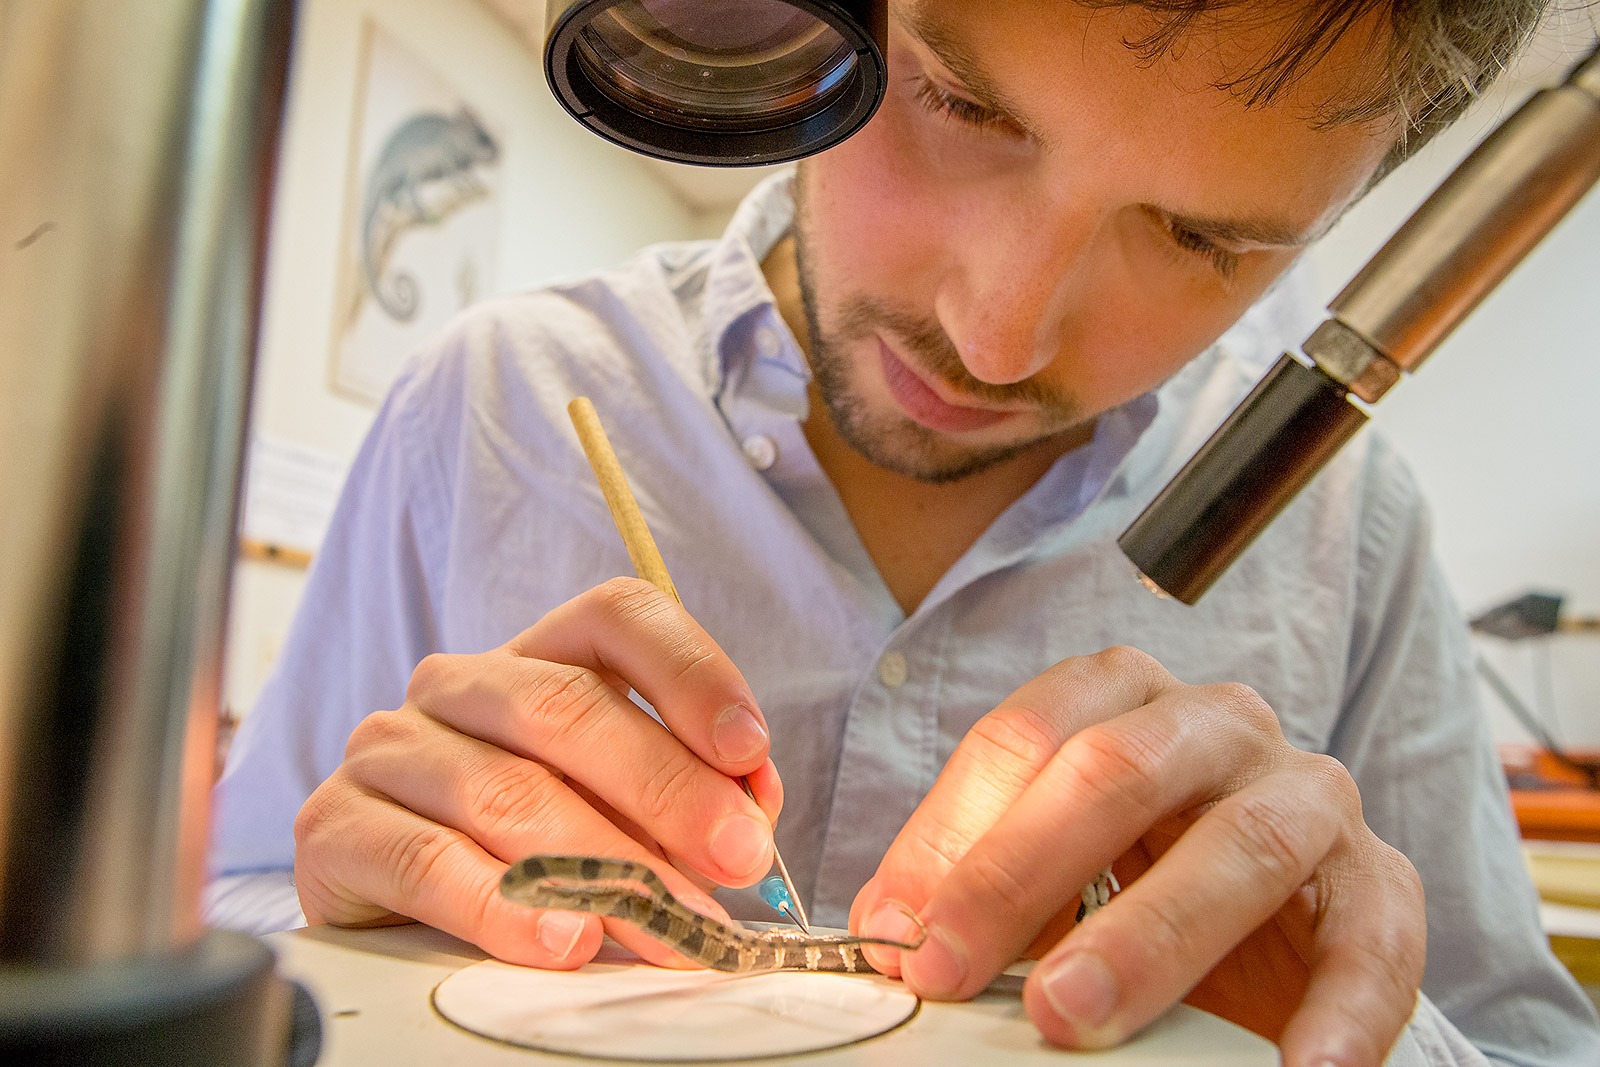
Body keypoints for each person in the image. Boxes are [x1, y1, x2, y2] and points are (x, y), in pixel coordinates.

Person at [210, 2, 1600, 1065]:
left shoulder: (1348, 525)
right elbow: (245, 906)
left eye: (1196, 237)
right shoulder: (499, 399)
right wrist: (341, 917)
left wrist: (1346, 1027)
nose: (996, 336)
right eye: (958, 103)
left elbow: (1529, 1044)